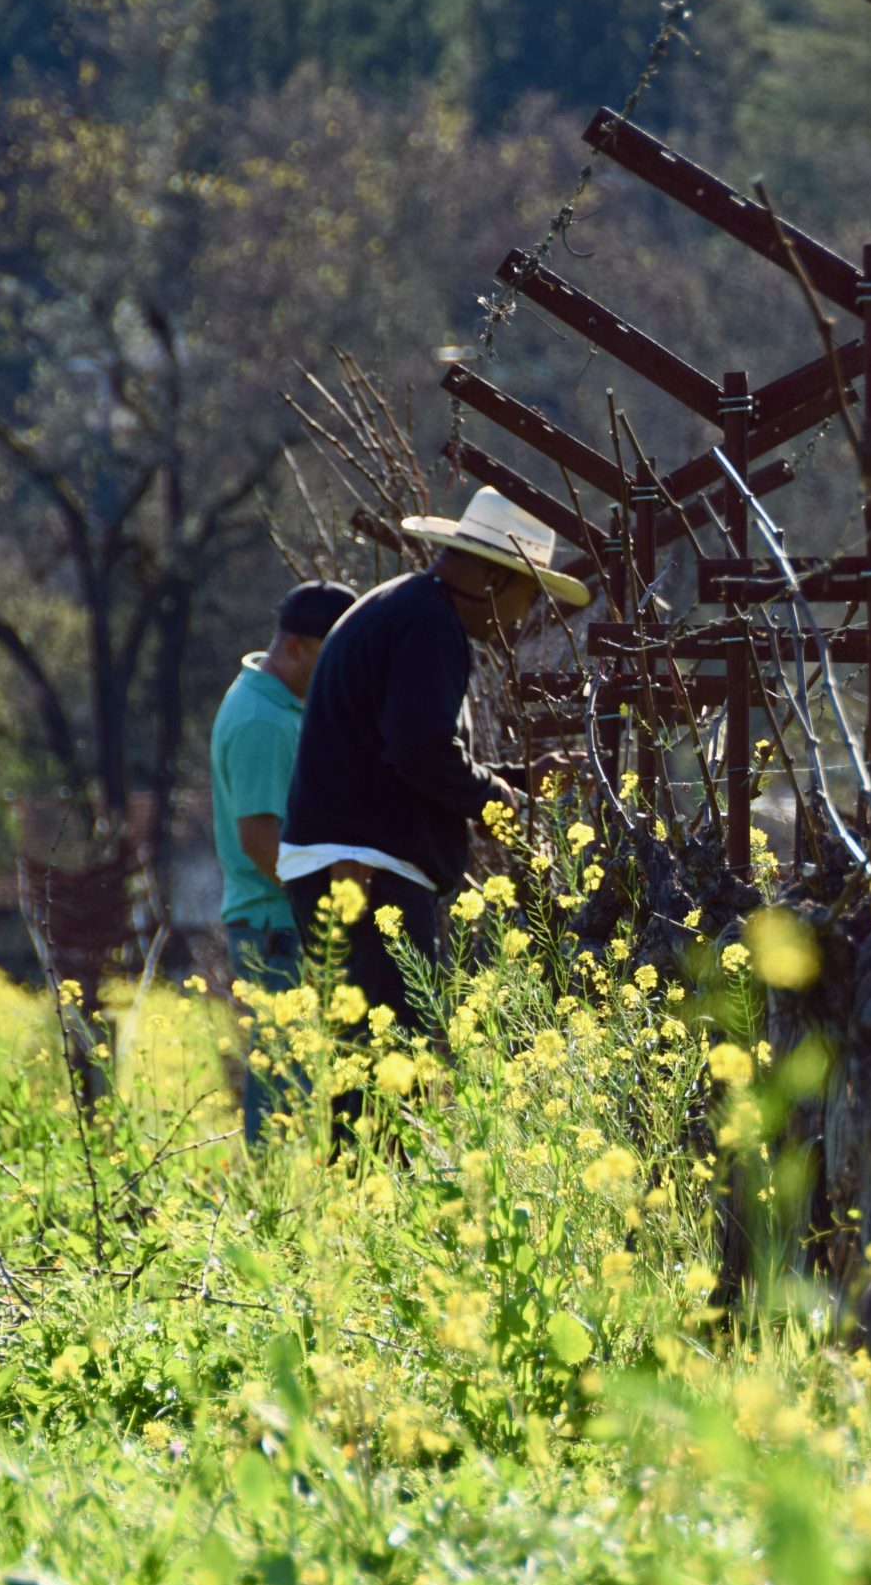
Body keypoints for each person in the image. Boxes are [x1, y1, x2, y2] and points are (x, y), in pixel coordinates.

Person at [277, 486, 590, 1142]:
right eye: (527, 594)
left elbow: (406, 755)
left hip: (352, 862)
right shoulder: (430, 625)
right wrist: (492, 798)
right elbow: (420, 751)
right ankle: (367, 1199)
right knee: (386, 1078)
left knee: (373, 1071)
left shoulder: (409, 607)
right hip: (365, 869)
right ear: (495, 580)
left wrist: (515, 782)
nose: (524, 614)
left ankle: (362, 1195)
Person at [210, 579, 357, 1144]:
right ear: (295, 647)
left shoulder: (275, 704)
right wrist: (326, 905)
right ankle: (270, 1192)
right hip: (276, 926)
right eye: (330, 657)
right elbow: (258, 838)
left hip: (279, 923)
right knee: (282, 1081)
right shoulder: (261, 721)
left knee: (290, 1076)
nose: (339, 673)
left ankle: (283, 1188)